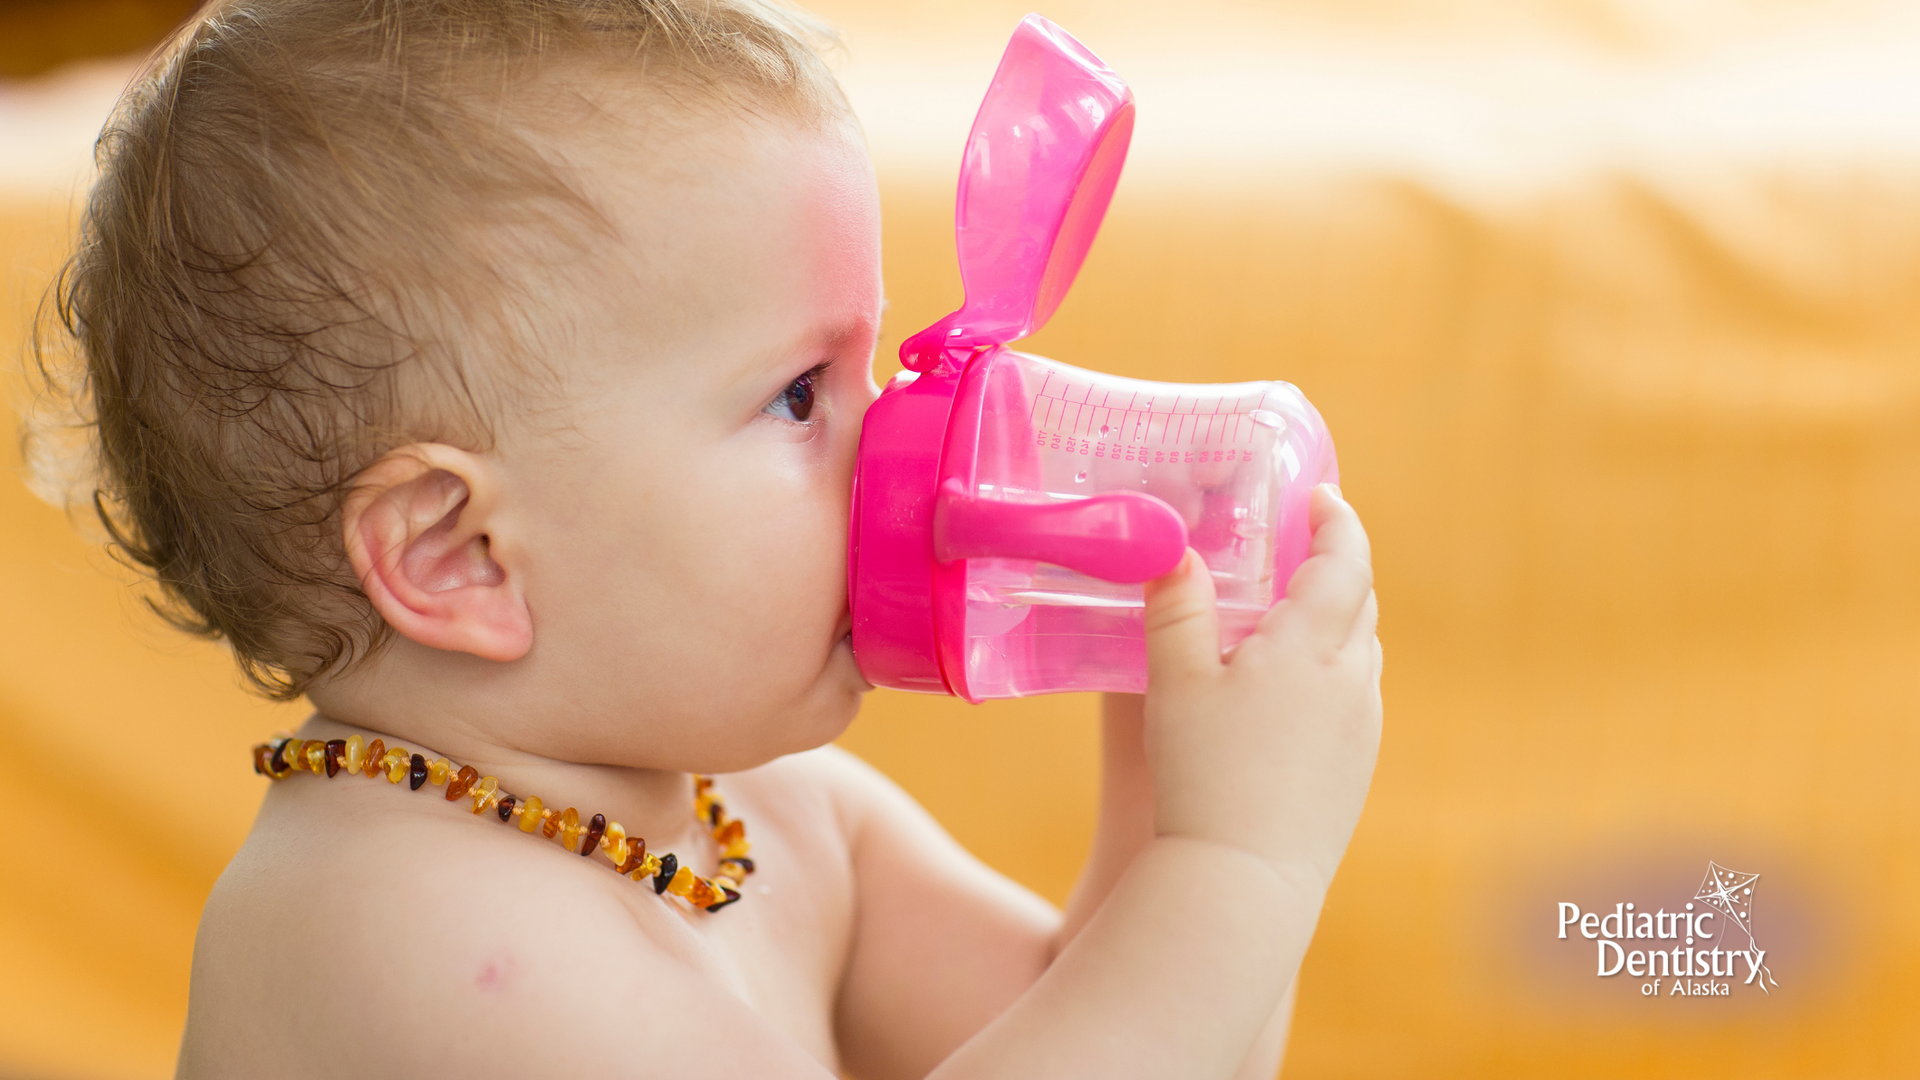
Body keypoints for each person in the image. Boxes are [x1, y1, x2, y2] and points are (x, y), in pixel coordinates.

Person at [31, 1, 1382, 1075]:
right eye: (799, 394)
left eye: (872, 364)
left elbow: (1146, 1029)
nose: (902, 432)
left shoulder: (777, 816)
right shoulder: (395, 926)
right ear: (462, 555)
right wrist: (1235, 865)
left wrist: (1168, 756)